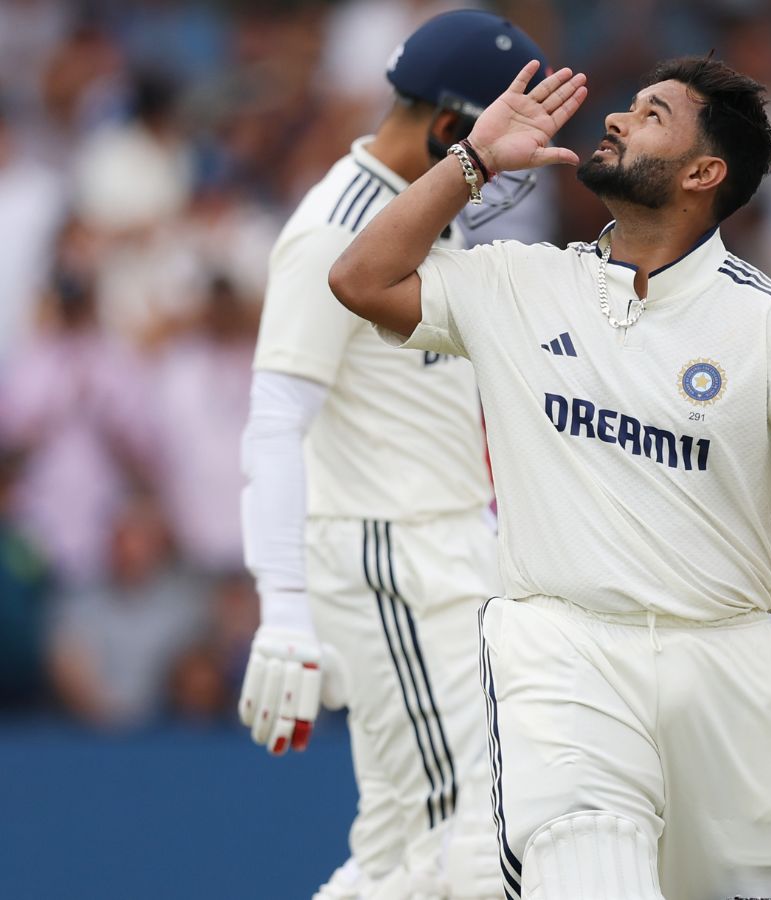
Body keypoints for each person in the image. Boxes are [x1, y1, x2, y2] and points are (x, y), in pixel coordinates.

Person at [330, 55, 771, 900]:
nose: (616, 119)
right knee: (586, 866)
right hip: (561, 646)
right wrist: (472, 160)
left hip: (727, 667)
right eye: (629, 107)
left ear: (704, 174)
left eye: (652, 115)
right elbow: (359, 279)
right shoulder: (520, 281)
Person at [236, 11, 550, 900]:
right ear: (452, 128)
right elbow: (275, 417)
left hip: (443, 552)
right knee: (461, 843)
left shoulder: (423, 214)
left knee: (403, 851)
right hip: (391, 559)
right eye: (498, 144)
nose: (507, 172)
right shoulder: (337, 226)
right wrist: (283, 609)